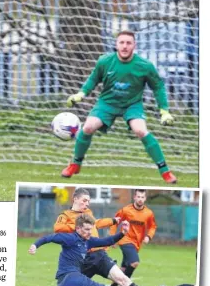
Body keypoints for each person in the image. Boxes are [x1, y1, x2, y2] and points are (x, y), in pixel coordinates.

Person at [61, 30, 177, 184]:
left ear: (134, 45)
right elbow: (93, 79)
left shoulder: (145, 66)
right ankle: (75, 164)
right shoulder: (105, 61)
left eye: (128, 43)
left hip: (132, 104)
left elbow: (158, 87)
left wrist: (164, 111)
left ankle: (165, 171)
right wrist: (81, 94)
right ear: (116, 45)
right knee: (88, 127)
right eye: (121, 42)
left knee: (141, 130)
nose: (125, 46)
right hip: (107, 103)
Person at [33, 188, 162, 286]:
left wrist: (113, 221)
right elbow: (57, 228)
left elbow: (96, 224)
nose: (87, 204)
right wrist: (79, 226)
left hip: (99, 255)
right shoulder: (65, 215)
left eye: (88, 201)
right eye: (84, 200)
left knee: (123, 279)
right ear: (75, 199)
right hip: (82, 259)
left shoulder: (88, 212)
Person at [108, 189, 156, 286]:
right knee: (134, 262)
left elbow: (153, 226)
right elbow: (115, 222)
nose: (140, 199)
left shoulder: (148, 213)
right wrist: (113, 238)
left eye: (142, 197)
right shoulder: (126, 210)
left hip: (136, 243)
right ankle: (125, 285)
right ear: (134, 197)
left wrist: (149, 236)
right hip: (125, 240)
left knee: (124, 268)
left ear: (145, 198)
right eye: (138, 197)